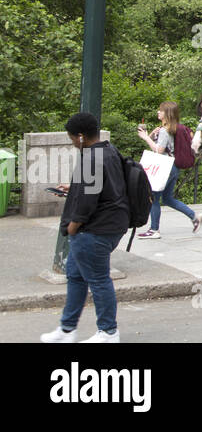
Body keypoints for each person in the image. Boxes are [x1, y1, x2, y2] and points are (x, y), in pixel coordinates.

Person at [41, 113, 129, 343]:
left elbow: (89, 200)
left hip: (94, 229)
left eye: (71, 139)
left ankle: (109, 332)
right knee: (76, 276)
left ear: (80, 137)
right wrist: (74, 186)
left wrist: (73, 226)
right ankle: (67, 330)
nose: (71, 143)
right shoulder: (109, 150)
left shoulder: (90, 158)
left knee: (99, 280)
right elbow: (107, 186)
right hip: (112, 224)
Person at [136, 101, 202, 238]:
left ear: (167, 114)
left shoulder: (165, 131)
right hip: (173, 167)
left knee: (153, 198)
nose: (158, 112)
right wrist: (152, 136)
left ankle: (154, 230)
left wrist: (145, 138)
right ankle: (195, 217)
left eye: (160, 111)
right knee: (167, 199)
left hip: (165, 167)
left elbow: (159, 151)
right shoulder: (169, 129)